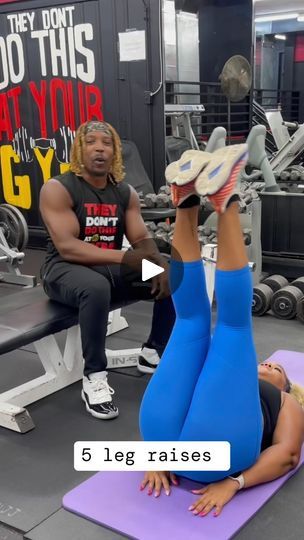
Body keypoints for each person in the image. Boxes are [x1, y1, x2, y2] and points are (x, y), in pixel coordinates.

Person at [139, 145, 304, 516]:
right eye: (272, 365)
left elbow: (289, 454)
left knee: (227, 324)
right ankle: (187, 200)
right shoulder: (230, 379)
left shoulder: (287, 402)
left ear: (285, 385)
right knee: (191, 318)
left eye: (277, 370)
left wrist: (234, 483)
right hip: (164, 438)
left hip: (212, 456)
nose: (270, 367)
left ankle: (223, 197)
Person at [39, 120, 175, 420]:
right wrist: (127, 258)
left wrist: (159, 261)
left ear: (115, 152)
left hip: (107, 267)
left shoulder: (125, 193)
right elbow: (68, 247)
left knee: (175, 276)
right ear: (79, 149)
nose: (99, 147)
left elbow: (140, 238)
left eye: (106, 142)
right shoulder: (59, 188)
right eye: (91, 142)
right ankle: (94, 378)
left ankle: (152, 352)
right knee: (95, 288)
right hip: (62, 270)